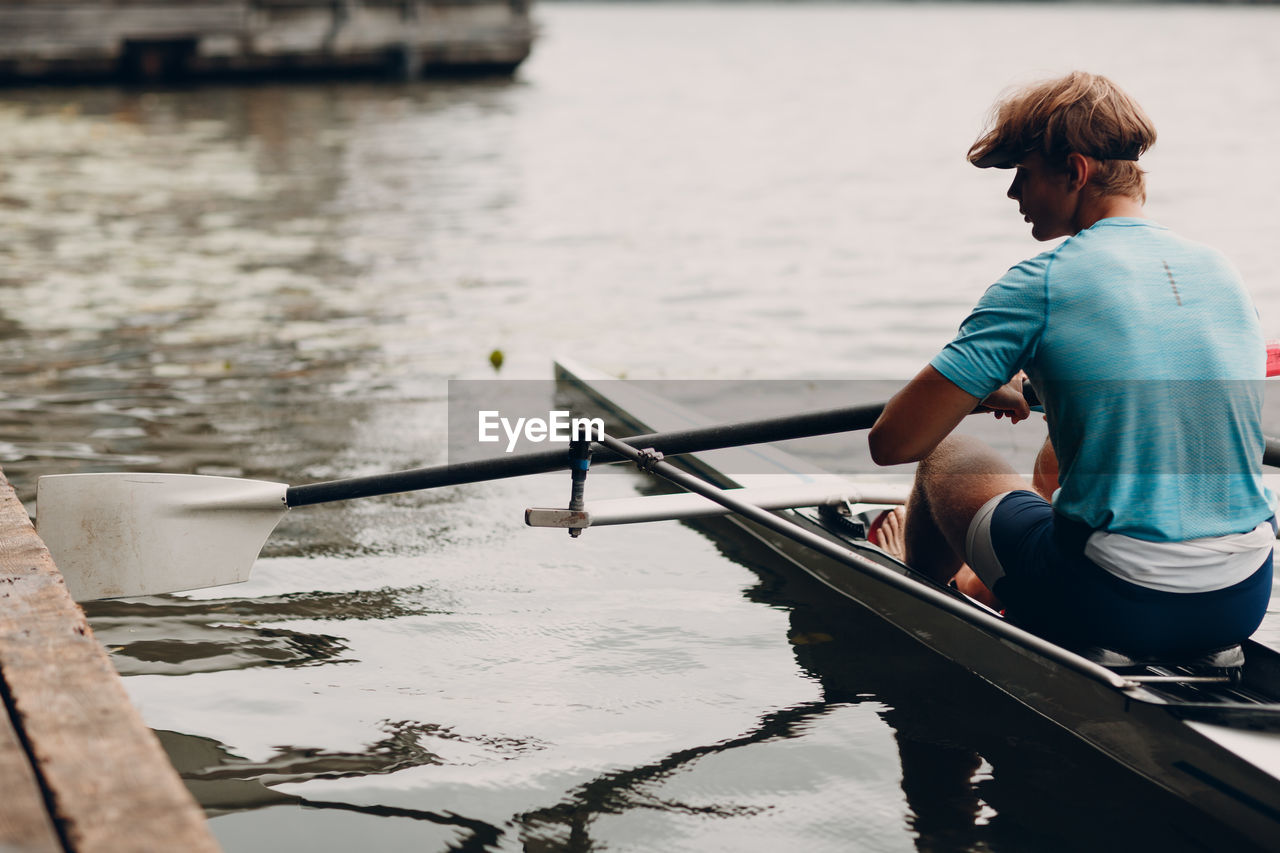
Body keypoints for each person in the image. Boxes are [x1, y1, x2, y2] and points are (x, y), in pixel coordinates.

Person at [867, 71, 1275, 657]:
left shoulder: (1040, 282)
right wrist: (1046, 381)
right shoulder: (1223, 273)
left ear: (1076, 171)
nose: (1013, 195)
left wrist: (989, 384)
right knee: (1059, 471)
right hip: (1240, 597)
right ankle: (986, 580)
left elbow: (893, 441)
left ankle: (928, 593)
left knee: (944, 456)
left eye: (1023, 174)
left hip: (1111, 601)